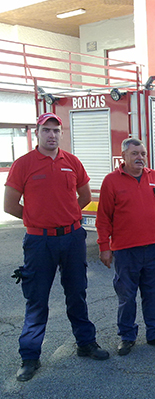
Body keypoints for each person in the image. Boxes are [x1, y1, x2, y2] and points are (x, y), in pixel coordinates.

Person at [4, 113, 109, 382]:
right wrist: (37, 219)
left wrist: (66, 216)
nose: (51, 135)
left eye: (56, 130)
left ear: (61, 134)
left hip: (72, 238)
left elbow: (85, 196)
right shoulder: (23, 164)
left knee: (77, 293)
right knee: (37, 300)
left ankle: (86, 343)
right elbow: (10, 205)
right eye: (46, 130)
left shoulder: (72, 163)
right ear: (37, 133)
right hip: (39, 242)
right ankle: (29, 357)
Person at [96, 138, 155, 355]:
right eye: (135, 154)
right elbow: (103, 218)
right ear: (124, 157)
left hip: (154, 247)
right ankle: (127, 336)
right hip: (125, 249)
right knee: (127, 295)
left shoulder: (154, 177)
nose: (140, 158)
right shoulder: (111, 181)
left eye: (143, 153)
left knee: (153, 293)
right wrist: (104, 246)